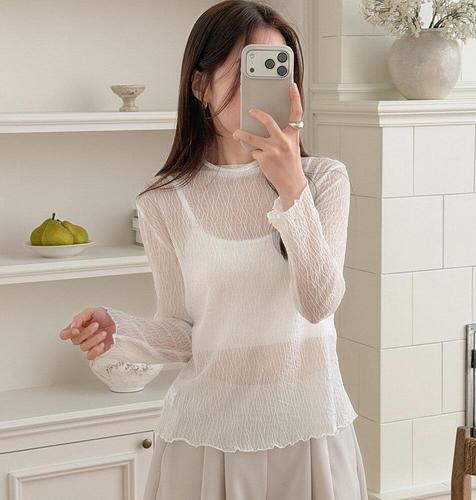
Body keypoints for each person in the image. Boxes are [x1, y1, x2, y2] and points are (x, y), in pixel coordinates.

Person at [59, 1, 369, 498]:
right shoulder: (164, 200)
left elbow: (319, 304)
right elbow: (184, 332)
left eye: (277, 71)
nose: (264, 89)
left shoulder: (324, 180)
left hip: (310, 430)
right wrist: (122, 331)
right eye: (246, 71)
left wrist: (291, 187)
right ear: (200, 86)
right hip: (206, 438)